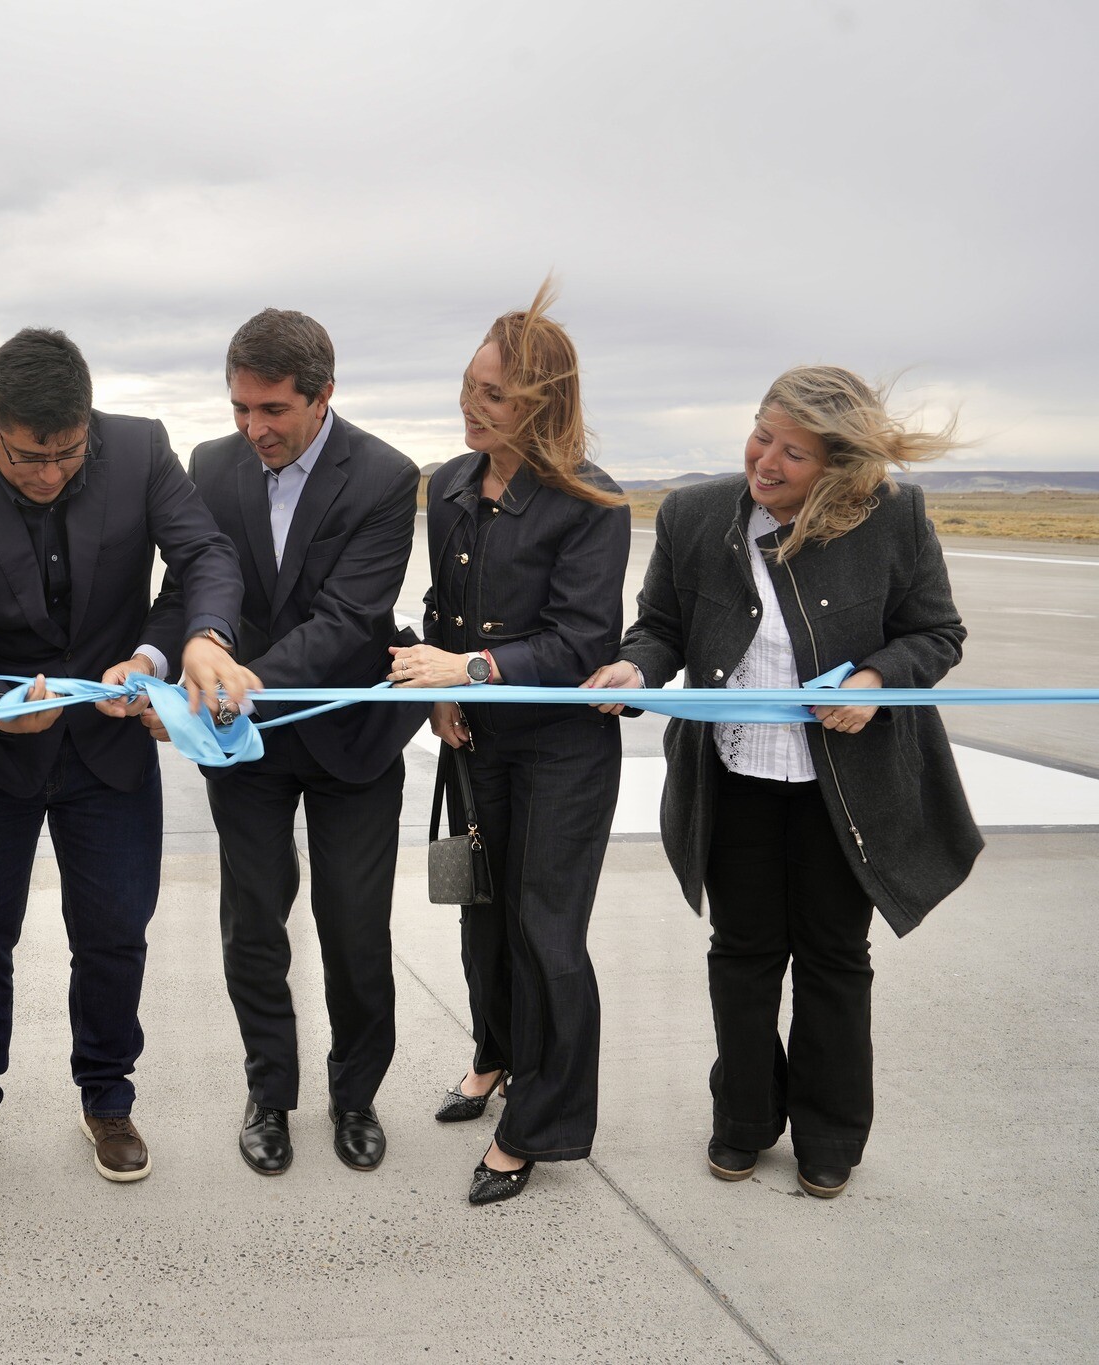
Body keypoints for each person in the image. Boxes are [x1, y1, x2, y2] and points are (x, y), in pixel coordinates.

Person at [585, 365, 980, 1198]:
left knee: (835, 958)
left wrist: (874, 681)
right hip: (734, 779)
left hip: (848, 793)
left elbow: (937, 633)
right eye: (762, 434)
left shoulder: (893, 517)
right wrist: (633, 668)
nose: (766, 460)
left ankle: (830, 1135)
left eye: (793, 453)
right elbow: (659, 627)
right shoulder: (696, 514)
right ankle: (743, 1120)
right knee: (743, 953)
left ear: (838, 467)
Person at [0, 327, 254, 1193]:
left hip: (110, 745)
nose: (51, 472)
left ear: (90, 421)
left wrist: (171, 649)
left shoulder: (138, 449)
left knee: (113, 937)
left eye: (67, 451)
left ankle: (107, 1094)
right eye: (29, 456)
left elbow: (204, 556)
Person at [149, 309, 421, 1176]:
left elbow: (347, 620)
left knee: (353, 926)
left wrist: (240, 687)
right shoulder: (210, 466)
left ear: (323, 395)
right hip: (245, 749)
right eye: (240, 408)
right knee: (254, 924)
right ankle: (270, 1092)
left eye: (272, 410)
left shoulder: (384, 475)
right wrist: (162, 659)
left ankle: (355, 1095)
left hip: (350, 742)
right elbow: (191, 588)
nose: (254, 428)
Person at [388, 282, 630, 1205]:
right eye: (467, 386)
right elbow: (440, 618)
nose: (469, 406)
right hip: (473, 742)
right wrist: (441, 700)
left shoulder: (591, 503)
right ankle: (494, 1053)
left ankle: (541, 1123)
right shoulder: (449, 484)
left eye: (491, 396)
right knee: (478, 912)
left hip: (560, 753)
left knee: (547, 933)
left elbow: (578, 642)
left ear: (542, 404)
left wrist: (469, 670)